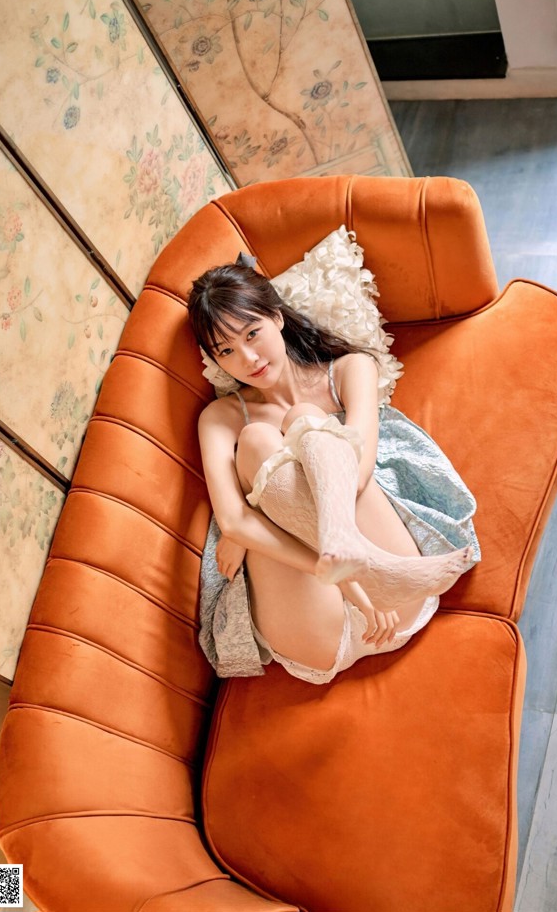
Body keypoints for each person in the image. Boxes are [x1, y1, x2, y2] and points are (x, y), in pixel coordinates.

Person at [187, 254, 480, 684]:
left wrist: (276, 529)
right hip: (318, 629)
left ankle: (354, 551)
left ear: (277, 317)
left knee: (303, 417)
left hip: (397, 605)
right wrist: (351, 583)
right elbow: (231, 522)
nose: (248, 358)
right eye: (226, 351)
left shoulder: (348, 370)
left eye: (253, 333)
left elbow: (359, 474)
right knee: (256, 439)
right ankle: (369, 564)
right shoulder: (220, 418)